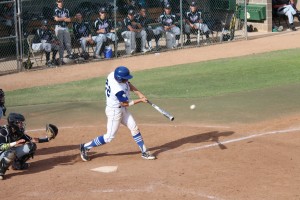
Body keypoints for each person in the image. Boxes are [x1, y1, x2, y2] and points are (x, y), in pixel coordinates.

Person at [80, 66, 156, 161]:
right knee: (109, 137)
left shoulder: (113, 75)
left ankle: (144, 151)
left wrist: (138, 93)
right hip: (114, 111)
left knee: (134, 128)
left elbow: (128, 83)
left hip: (121, 109)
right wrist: (140, 100)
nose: (127, 80)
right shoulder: (117, 89)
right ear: (120, 79)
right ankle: (85, 147)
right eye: (125, 78)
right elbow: (125, 103)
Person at [0, 113, 58, 180]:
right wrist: (16, 142)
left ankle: (18, 165)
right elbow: (1, 147)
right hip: (1, 153)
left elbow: (32, 140)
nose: (22, 124)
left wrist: (47, 138)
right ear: (14, 123)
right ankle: (1, 172)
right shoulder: (3, 131)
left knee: (31, 146)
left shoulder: (18, 132)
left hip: (7, 153)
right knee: (11, 152)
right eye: (20, 123)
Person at [53, 0, 74, 64]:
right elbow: (56, 19)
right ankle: (61, 57)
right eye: (59, 1)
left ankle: (70, 55)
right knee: (60, 44)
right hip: (59, 27)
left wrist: (61, 18)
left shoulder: (66, 10)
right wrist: (64, 18)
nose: (60, 2)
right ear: (57, 2)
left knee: (68, 42)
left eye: (61, 1)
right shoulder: (55, 10)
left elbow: (69, 19)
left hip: (65, 27)